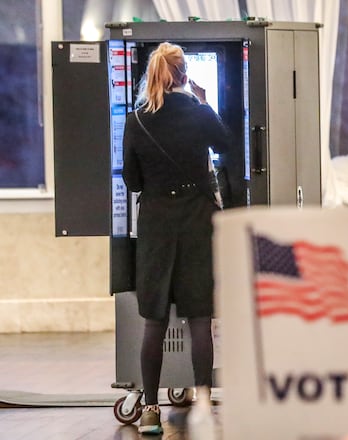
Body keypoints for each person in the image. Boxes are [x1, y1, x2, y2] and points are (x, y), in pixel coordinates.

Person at [122, 42, 231, 435]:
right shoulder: (199, 113)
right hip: (197, 220)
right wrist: (204, 103)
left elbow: (132, 180)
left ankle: (150, 409)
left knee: (154, 322)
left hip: (156, 225)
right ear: (185, 75)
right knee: (200, 320)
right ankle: (202, 403)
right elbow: (228, 148)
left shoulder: (137, 120)